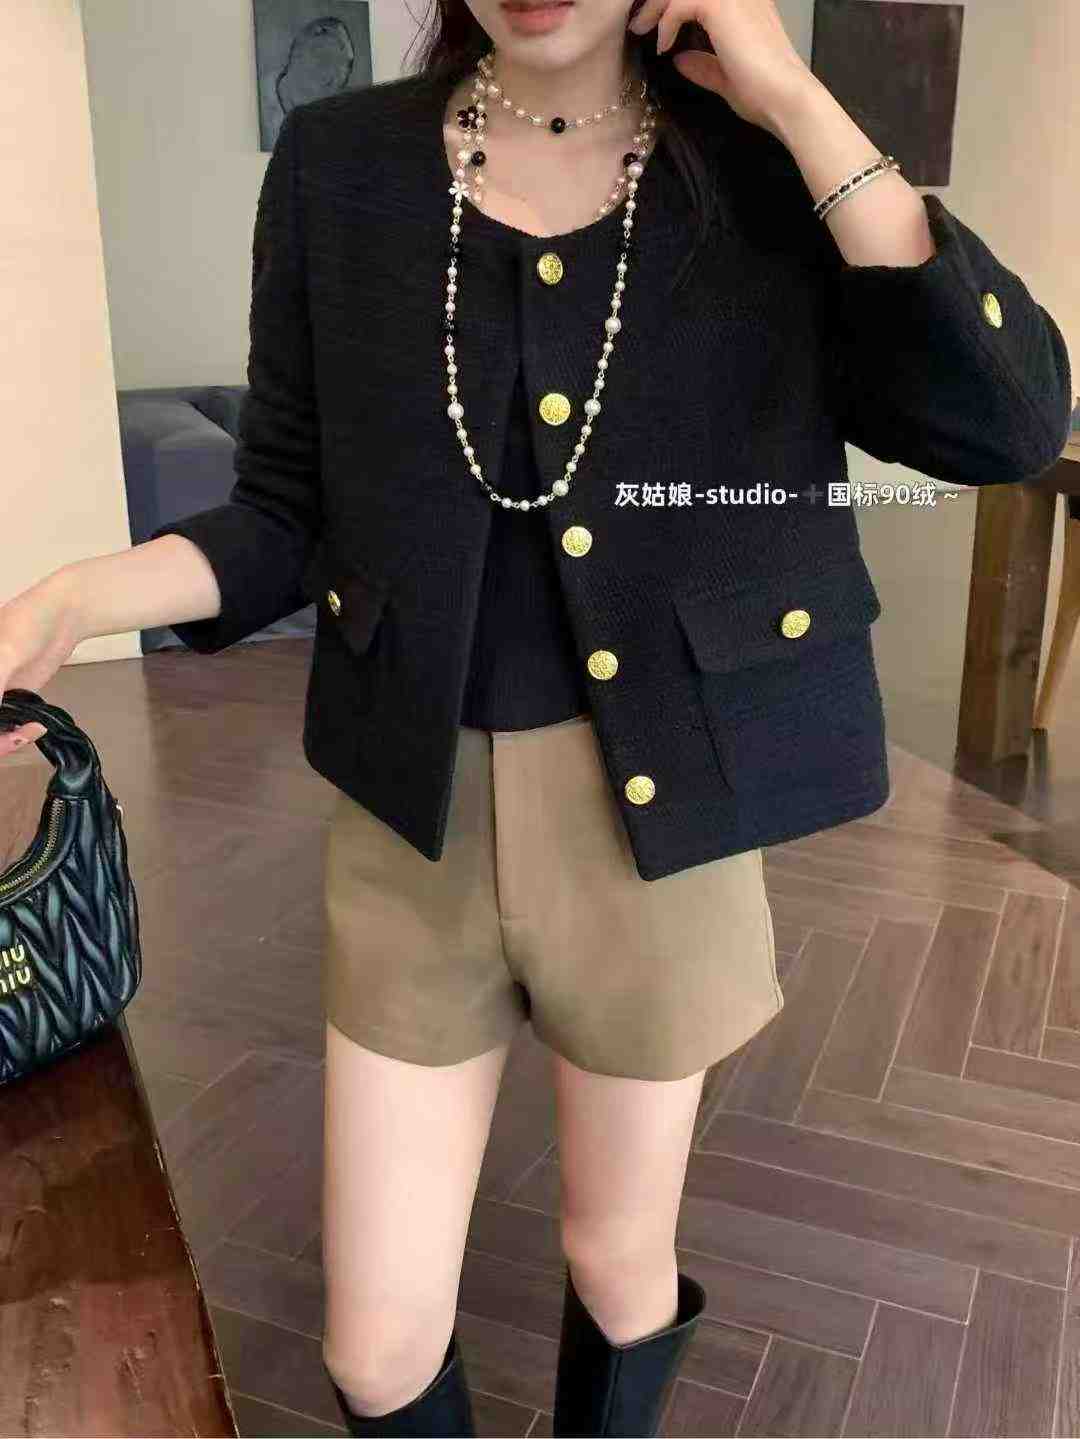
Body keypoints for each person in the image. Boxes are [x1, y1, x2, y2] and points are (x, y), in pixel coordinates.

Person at [0, 1, 1072, 1434]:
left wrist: (794, 96)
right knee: (375, 1347)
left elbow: (1006, 424)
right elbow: (280, 514)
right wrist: (74, 598)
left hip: (664, 806)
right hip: (414, 815)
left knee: (618, 1262)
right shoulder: (340, 164)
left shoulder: (757, 163)